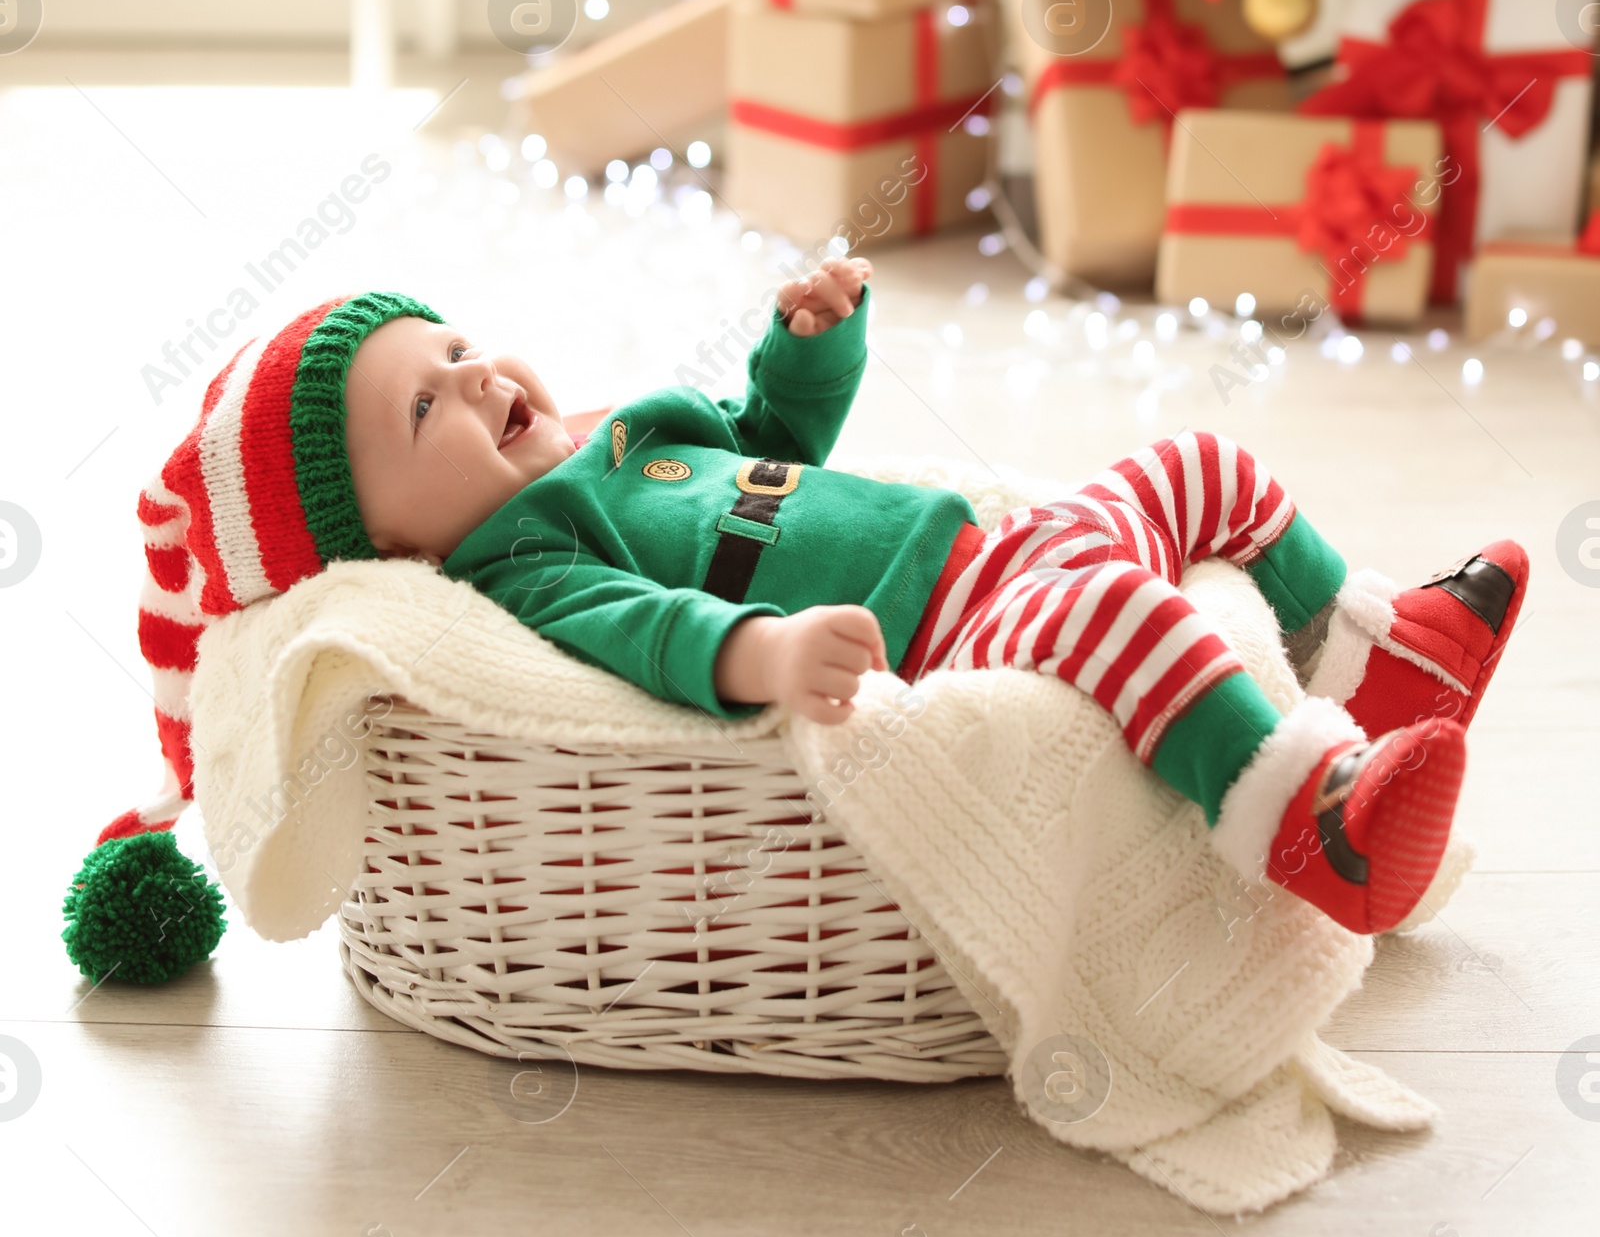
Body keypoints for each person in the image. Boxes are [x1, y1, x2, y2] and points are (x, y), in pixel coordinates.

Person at [114, 275, 1526, 944]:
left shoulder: (623, 436)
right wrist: (767, 653)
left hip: (1008, 535)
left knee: (1204, 468)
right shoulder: (522, 567)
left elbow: (764, 433)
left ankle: (1380, 652)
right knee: (1138, 625)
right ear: (390, 544)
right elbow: (641, 633)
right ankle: (1312, 828)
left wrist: (809, 348)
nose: (481, 380)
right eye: (428, 409)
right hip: (972, 616)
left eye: (463, 348)